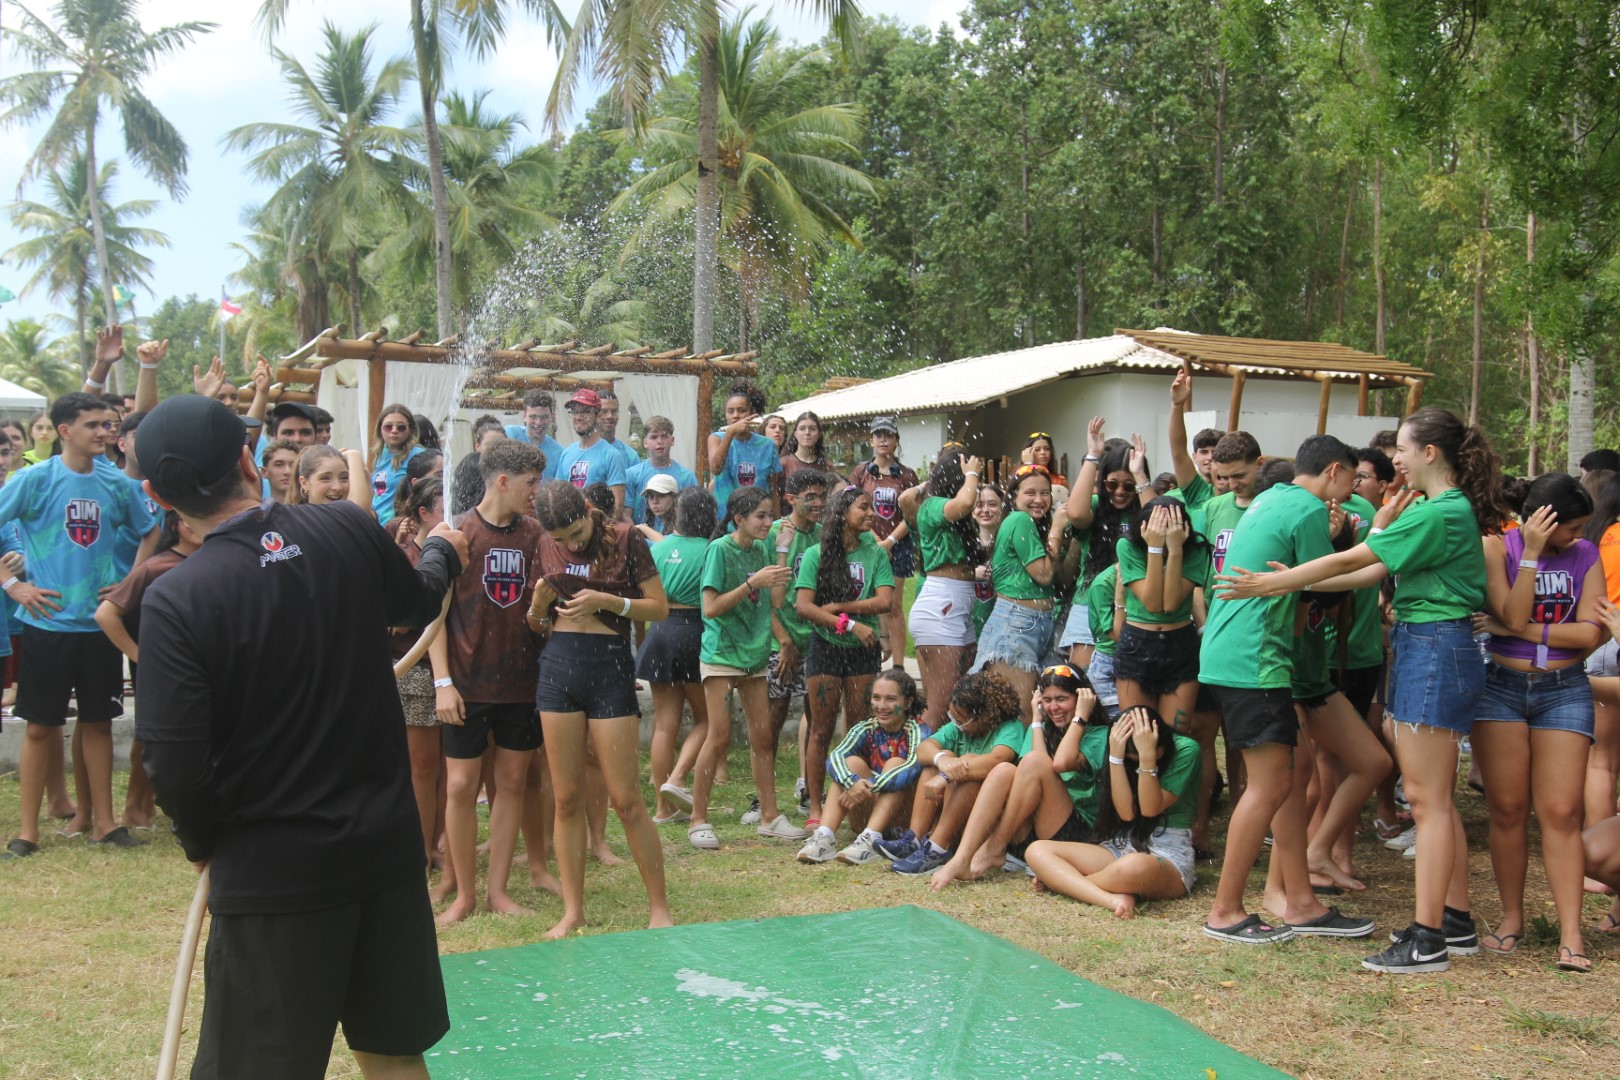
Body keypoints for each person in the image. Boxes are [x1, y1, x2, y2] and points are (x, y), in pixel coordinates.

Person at [130, 394, 465, 1079]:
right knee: (394, 1054)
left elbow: (174, 763)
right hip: (381, 852)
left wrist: (201, 842)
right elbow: (417, 601)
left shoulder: (179, 598)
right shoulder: (345, 528)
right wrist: (440, 553)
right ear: (251, 463)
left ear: (156, 495)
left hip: (273, 872)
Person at [1218, 408, 1513, 973]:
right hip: (1425, 646)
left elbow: (1360, 556)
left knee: (1427, 802)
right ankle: (1451, 922)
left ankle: (1428, 939)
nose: (1392, 458)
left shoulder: (1442, 512)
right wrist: (1290, 581)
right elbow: (1367, 571)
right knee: (1434, 801)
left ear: (1429, 453)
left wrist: (1270, 581)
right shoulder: (1435, 510)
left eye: (1401, 448)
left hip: (1434, 649)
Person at [1199, 435, 1377, 946]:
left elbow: (1299, 591)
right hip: (1254, 660)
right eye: (1351, 482)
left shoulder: (1271, 498)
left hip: (1241, 655)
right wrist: (1381, 547)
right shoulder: (1307, 510)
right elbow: (1326, 579)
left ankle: (1300, 901)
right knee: (1271, 786)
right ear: (1336, 472)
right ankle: (1225, 911)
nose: (1350, 492)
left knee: (1290, 778)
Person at [0, 392, 158, 859]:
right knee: (38, 728)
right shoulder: (34, 479)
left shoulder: (116, 483)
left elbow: (149, 529)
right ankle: (27, 833)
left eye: (108, 425)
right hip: (47, 622)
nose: (105, 432)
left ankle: (104, 825)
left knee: (99, 723)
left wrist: (131, 580)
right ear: (65, 431)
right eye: (93, 425)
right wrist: (13, 586)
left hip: (98, 627)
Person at [1471, 474, 1602, 971]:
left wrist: (1522, 630)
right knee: (1506, 809)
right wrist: (1529, 555)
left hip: (1564, 690)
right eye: (1570, 527)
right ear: (1543, 520)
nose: (1577, 536)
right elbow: (1507, 607)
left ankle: (1572, 934)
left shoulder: (1585, 555)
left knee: (1562, 813)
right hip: (1500, 688)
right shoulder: (1496, 547)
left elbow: (1590, 632)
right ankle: (1511, 918)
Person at [531, 480, 672, 939]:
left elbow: (660, 609)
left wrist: (607, 600)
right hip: (558, 668)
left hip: (609, 667)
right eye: (561, 539)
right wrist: (536, 607)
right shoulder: (543, 544)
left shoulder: (629, 539)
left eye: (576, 531)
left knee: (627, 798)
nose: (571, 544)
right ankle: (573, 911)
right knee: (567, 797)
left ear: (590, 510)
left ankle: (659, 907)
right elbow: (535, 625)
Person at [430, 440, 547, 926]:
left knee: (513, 782)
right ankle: (464, 894)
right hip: (466, 682)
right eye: (530, 483)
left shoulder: (537, 534)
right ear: (503, 480)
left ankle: (497, 890)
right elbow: (433, 616)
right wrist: (442, 683)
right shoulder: (457, 532)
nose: (535, 493)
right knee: (459, 786)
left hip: (521, 682)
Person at [689, 487, 802, 849]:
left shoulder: (763, 549)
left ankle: (769, 816)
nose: (768, 522)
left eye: (771, 515)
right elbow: (710, 607)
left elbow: (778, 601)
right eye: (761, 516)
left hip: (754, 656)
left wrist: (782, 547)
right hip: (721, 655)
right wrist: (752, 582)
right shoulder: (720, 550)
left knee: (762, 737)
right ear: (739, 518)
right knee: (719, 736)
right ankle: (698, 819)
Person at [929, 665, 1105, 888]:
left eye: (1062, 699)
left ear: (1082, 697)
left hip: (1075, 835)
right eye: (1047, 699)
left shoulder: (1098, 734)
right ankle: (962, 857)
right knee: (1004, 770)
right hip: (1031, 831)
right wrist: (1037, 720)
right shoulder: (1040, 727)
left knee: (1032, 762)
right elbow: (1036, 767)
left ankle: (993, 848)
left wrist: (1081, 717)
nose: (1053, 707)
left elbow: (1057, 764)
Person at [1026, 706, 1201, 919]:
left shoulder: (1187, 750)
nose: (1134, 761)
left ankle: (1066, 883)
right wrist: (1116, 758)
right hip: (1124, 844)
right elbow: (1127, 814)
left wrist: (1147, 757)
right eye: (1131, 758)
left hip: (1168, 853)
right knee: (1037, 850)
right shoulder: (1120, 752)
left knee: (1132, 867)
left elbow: (1149, 808)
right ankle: (1110, 898)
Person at [795, 486, 894, 829]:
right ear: (842, 513)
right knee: (820, 731)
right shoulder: (815, 554)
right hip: (826, 647)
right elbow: (804, 607)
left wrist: (841, 609)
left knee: (858, 731)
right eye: (863, 507)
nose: (871, 513)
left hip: (862, 653)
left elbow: (885, 601)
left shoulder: (875, 552)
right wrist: (849, 624)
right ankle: (816, 810)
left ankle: (853, 804)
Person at [94, 510, 200, 831]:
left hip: (203, 667)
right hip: (161, 672)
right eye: (187, 517)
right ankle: (134, 807)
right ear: (175, 525)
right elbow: (106, 614)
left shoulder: (219, 560)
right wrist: (140, 656)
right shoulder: (154, 567)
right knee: (151, 736)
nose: (195, 524)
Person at [884, 671, 1025, 875]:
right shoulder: (959, 728)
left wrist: (947, 775)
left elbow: (996, 761)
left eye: (960, 718)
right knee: (939, 758)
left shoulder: (1011, 729)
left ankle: (938, 849)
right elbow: (924, 749)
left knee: (970, 768)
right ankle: (915, 838)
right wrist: (943, 761)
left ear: (986, 716)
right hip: (954, 812)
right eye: (953, 716)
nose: (955, 722)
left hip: (987, 821)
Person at [797, 668, 928, 865]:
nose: (882, 706)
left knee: (895, 763)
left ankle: (871, 840)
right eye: (876, 698)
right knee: (850, 763)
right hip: (866, 814)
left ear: (908, 702)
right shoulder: (866, 727)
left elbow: (911, 767)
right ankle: (824, 837)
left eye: (891, 699)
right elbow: (835, 757)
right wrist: (852, 781)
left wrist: (864, 786)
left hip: (903, 823)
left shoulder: (918, 730)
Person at [641, 488, 717, 824]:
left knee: (663, 725)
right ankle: (677, 779)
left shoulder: (660, 548)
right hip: (692, 631)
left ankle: (662, 808)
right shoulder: (711, 549)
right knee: (709, 720)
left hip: (659, 631)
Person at [900, 449, 984, 737]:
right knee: (941, 706)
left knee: (962, 702)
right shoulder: (932, 505)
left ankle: (944, 769)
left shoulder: (954, 515)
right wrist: (971, 473)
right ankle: (913, 768)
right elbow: (963, 503)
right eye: (969, 478)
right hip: (940, 606)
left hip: (958, 606)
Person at [389, 477, 450, 872]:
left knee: (447, 765)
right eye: (446, 507)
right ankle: (420, 850)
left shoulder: (454, 548)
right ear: (424, 513)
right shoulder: (405, 554)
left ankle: (437, 844)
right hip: (413, 669)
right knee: (423, 766)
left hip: (453, 671)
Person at [1113, 498, 1211, 727]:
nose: (1165, 541)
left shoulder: (1195, 548)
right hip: (1137, 642)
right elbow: (1152, 603)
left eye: (1171, 535)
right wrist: (1154, 548)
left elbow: (1171, 604)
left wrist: (1176, 551)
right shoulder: (1128, 545)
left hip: (1180, 643)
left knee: (1176, 733)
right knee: (1139, 732)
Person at [970, 464, 1056, 721]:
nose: (1039, 500)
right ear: (1014, 496)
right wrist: (1059, 531)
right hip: (1016, 625)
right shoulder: (1019, 519)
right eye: (1030, 492)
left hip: (1034, 624)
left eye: (1045, 493)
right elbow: (1043, 574)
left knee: (1029, 714)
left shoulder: (1030, 526)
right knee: (1022, 715)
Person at [767, 469, 829, 819]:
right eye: (811, 497)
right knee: (773, 719)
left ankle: (808, 789)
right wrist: (783, 640)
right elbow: (764, 597)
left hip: (815, 640)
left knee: (816, 718)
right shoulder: (777, 533)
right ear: (791, 499)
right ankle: (765, 797)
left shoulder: (823, 535)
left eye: (822, 496)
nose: (818, 503)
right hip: (782, 641)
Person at [852, 416, 918, 662]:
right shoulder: (861, 473)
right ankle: (868, 655)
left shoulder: (907, 475)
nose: (883, 439)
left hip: (898, 546)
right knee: (865, 599)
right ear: (871, 439)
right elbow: (852, 508)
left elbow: (912, 515)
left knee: (894, 605)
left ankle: (899, 666)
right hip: (866, 543)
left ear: (896, 441)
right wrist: (876, 539)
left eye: (888, 435)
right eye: (878, 435)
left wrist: (889, 541)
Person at [708, 380, 782, 510]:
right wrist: (730, 432)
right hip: (725, 522)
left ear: (752, 412)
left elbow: (773, 490)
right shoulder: (716, 439)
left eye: (742, 410)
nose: (735, 416)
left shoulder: (767, 445)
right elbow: (715, 468)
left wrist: (776, 524)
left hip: (758, 519)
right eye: (730, 411)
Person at [555, 388, 628, 516]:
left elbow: (618, 505)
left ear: (598, 416)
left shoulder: (611, 455)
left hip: (598, 529)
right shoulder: (567, 453)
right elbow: (558, 495)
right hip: (571, 527)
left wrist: (602, 532)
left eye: (585, 412)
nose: (578, 417)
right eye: (574, 412)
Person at [625, 415, 698, 526]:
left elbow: (694, 515)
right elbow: (625, 515)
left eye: (664, 436)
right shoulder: (632, 475)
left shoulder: (687, 477)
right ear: (645, 442)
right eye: (654, 437)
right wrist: (639, 538)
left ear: (672, 440)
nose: (660, 441)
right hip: (641, 539)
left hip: (675, 540)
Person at [369, 404, 426, 526]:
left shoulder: (418, 455)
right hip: (375, 523)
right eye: (388, 427)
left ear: (410, 429)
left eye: (401, 427)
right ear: (380, 429)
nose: (394, 431)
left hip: (399, 526)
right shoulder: (381, 454)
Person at [453, 418, 511, 516]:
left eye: (501, 445)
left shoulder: (507, 468)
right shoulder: (473, 464)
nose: (495, 449)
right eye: (489, 444)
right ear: (477, 446)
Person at [505, 390, 565, 480]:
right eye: (533, 417)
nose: (538, 423)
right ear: (524, 416)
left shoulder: (559, 453)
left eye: (544, 417)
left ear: (552, 417)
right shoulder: (509, 434)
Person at [292, 444, 371, 511]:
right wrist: (354, 455)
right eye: (325, 478)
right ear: (304, 483)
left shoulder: (369, 515)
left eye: (344, 478)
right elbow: (357, 512)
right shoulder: (296, 520)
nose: (337, 487)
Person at [780, 411, 840, 484]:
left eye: (812, 429)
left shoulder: (827, 467)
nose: (807, 432)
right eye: (802, 429)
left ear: (819, 434)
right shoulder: (783, 464)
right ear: (795, 434)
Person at [596, 388, 642, 471]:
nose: (610, 416)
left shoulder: (630, 455)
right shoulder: (582, 451)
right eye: (604, 411)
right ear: (594, 414)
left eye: (614, 411)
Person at [260, 439, 299, 505]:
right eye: (279, 465)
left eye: (293, 465)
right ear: (264, 472)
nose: (287, 471)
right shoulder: (258, 513)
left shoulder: (313, 512)